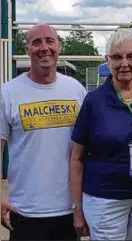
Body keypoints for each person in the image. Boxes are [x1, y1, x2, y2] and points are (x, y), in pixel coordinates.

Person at [70, 28, 132, 240]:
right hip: (105, 199)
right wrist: (77, 209)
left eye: (131, 56)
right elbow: (76, 157)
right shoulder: (93, 101)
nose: (124, 63)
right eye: (116, 57)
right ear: (107, 60)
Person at [0, 24, 87, 240]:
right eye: (36, 42)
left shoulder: (76, 90)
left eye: (49, 41)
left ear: (59, 46)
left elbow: (88, 150)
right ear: (27, 48)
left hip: (69, 210)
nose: (44, 47)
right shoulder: (8, 93)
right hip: (26, 212)